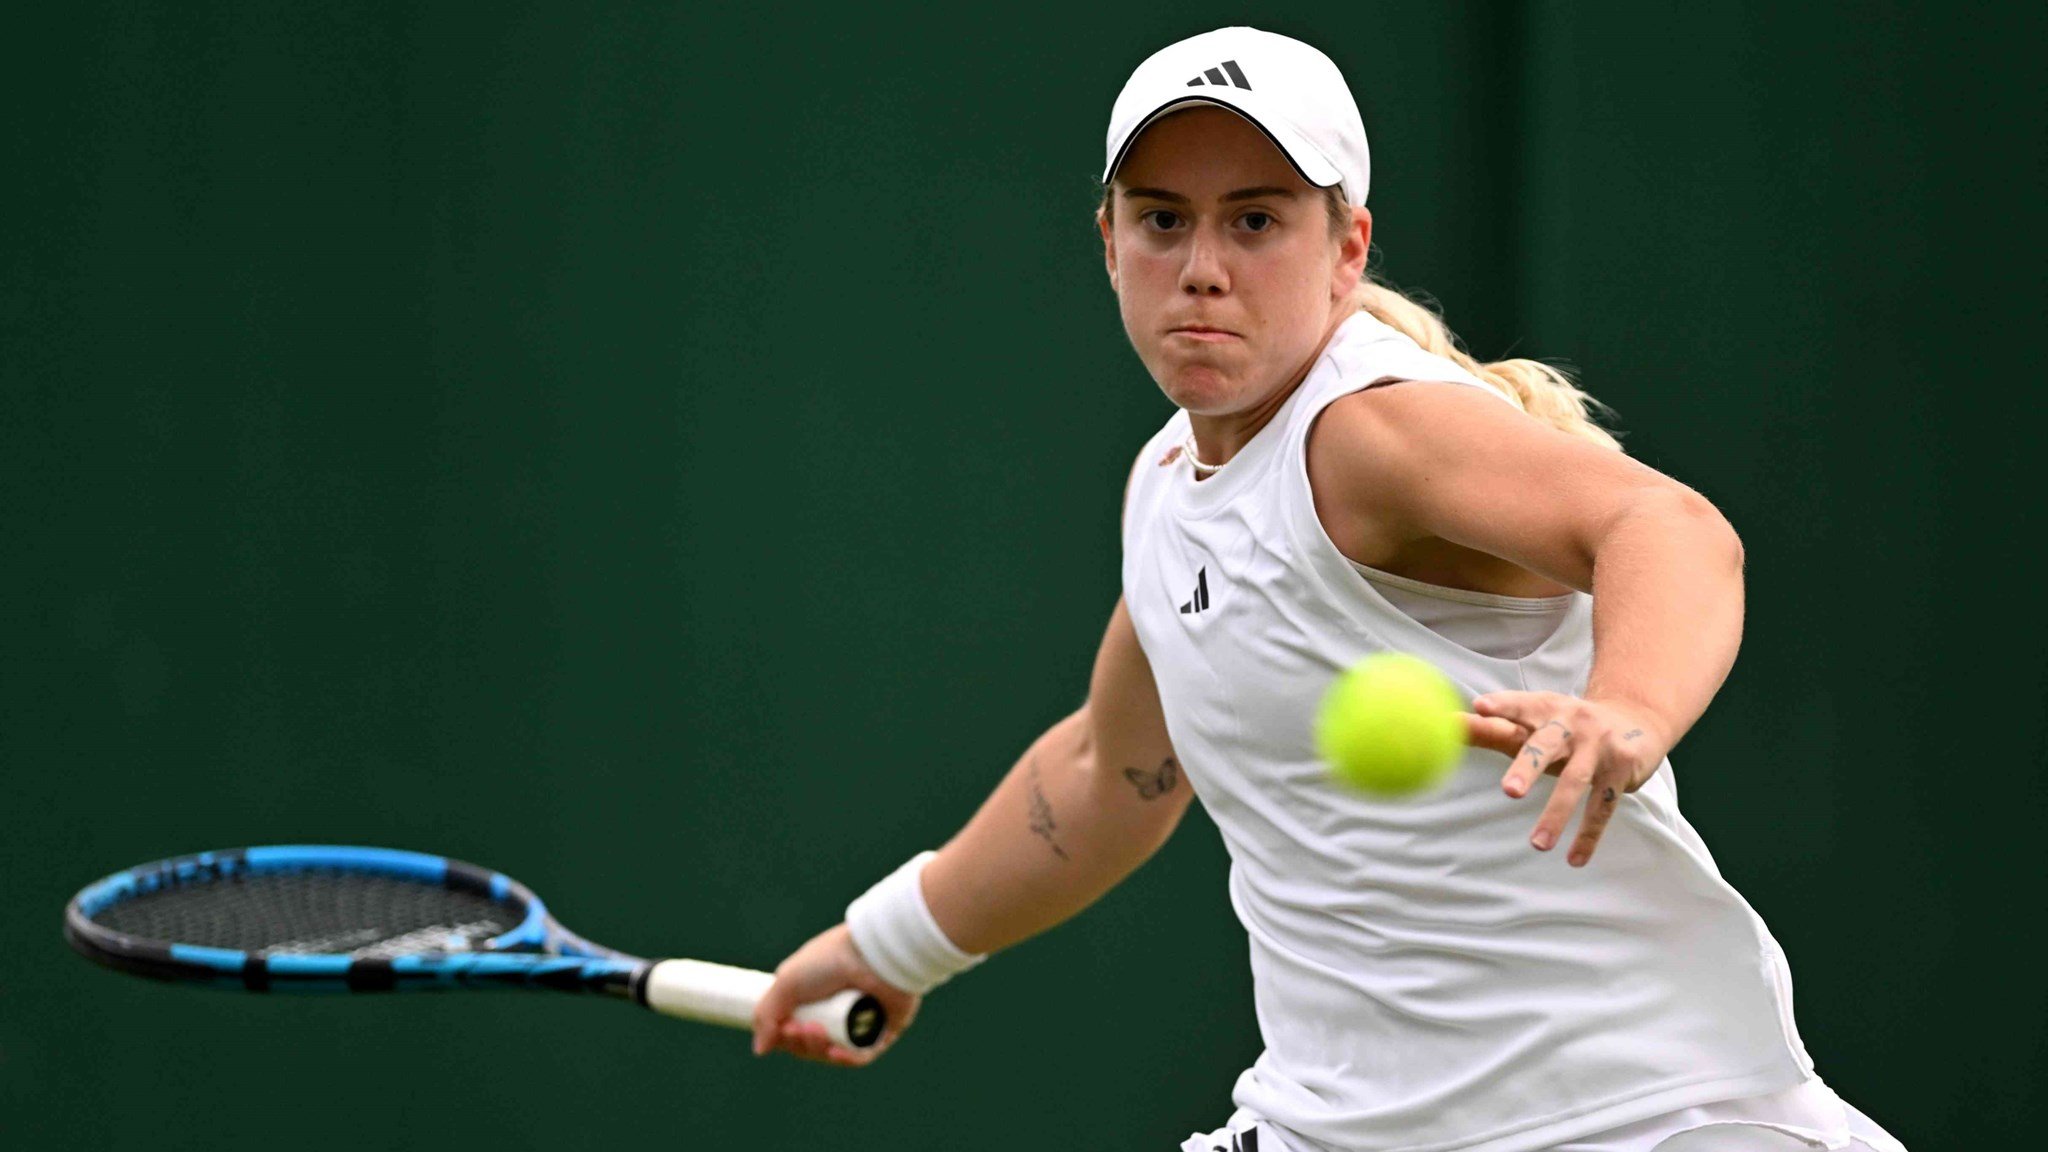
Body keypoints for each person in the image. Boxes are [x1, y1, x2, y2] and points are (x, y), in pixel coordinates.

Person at [750, 26, 1908, 1152]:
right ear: (1107, 242)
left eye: (1255, 220)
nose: (1201, 267)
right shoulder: (1166, 484)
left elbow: (1664, 525)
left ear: (1347, 245)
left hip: (1637, 1115)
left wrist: (1625, 710)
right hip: (1330, 1125)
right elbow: (1113, 770)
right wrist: (892, 944)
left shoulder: (1374, 432)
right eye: (1162, 221)